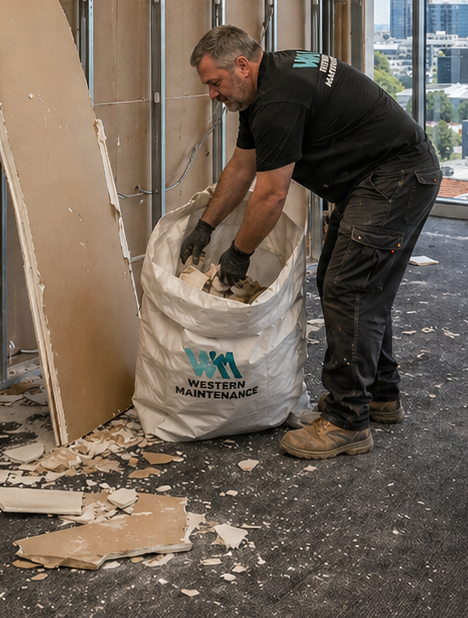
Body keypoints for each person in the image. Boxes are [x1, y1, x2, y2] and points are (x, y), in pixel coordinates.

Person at [184, 25, 440, 460]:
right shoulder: (264, 88)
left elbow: (271, 194)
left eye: (215, 83)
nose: (212, 94)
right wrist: (206, 225)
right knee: (348, 284)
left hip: (396, 177)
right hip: (378, 178)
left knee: (349, 288)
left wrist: (238, 255)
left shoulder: (279, 99)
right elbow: (241, 170)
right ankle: (380, 394)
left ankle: (346, 421)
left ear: (242, 66)